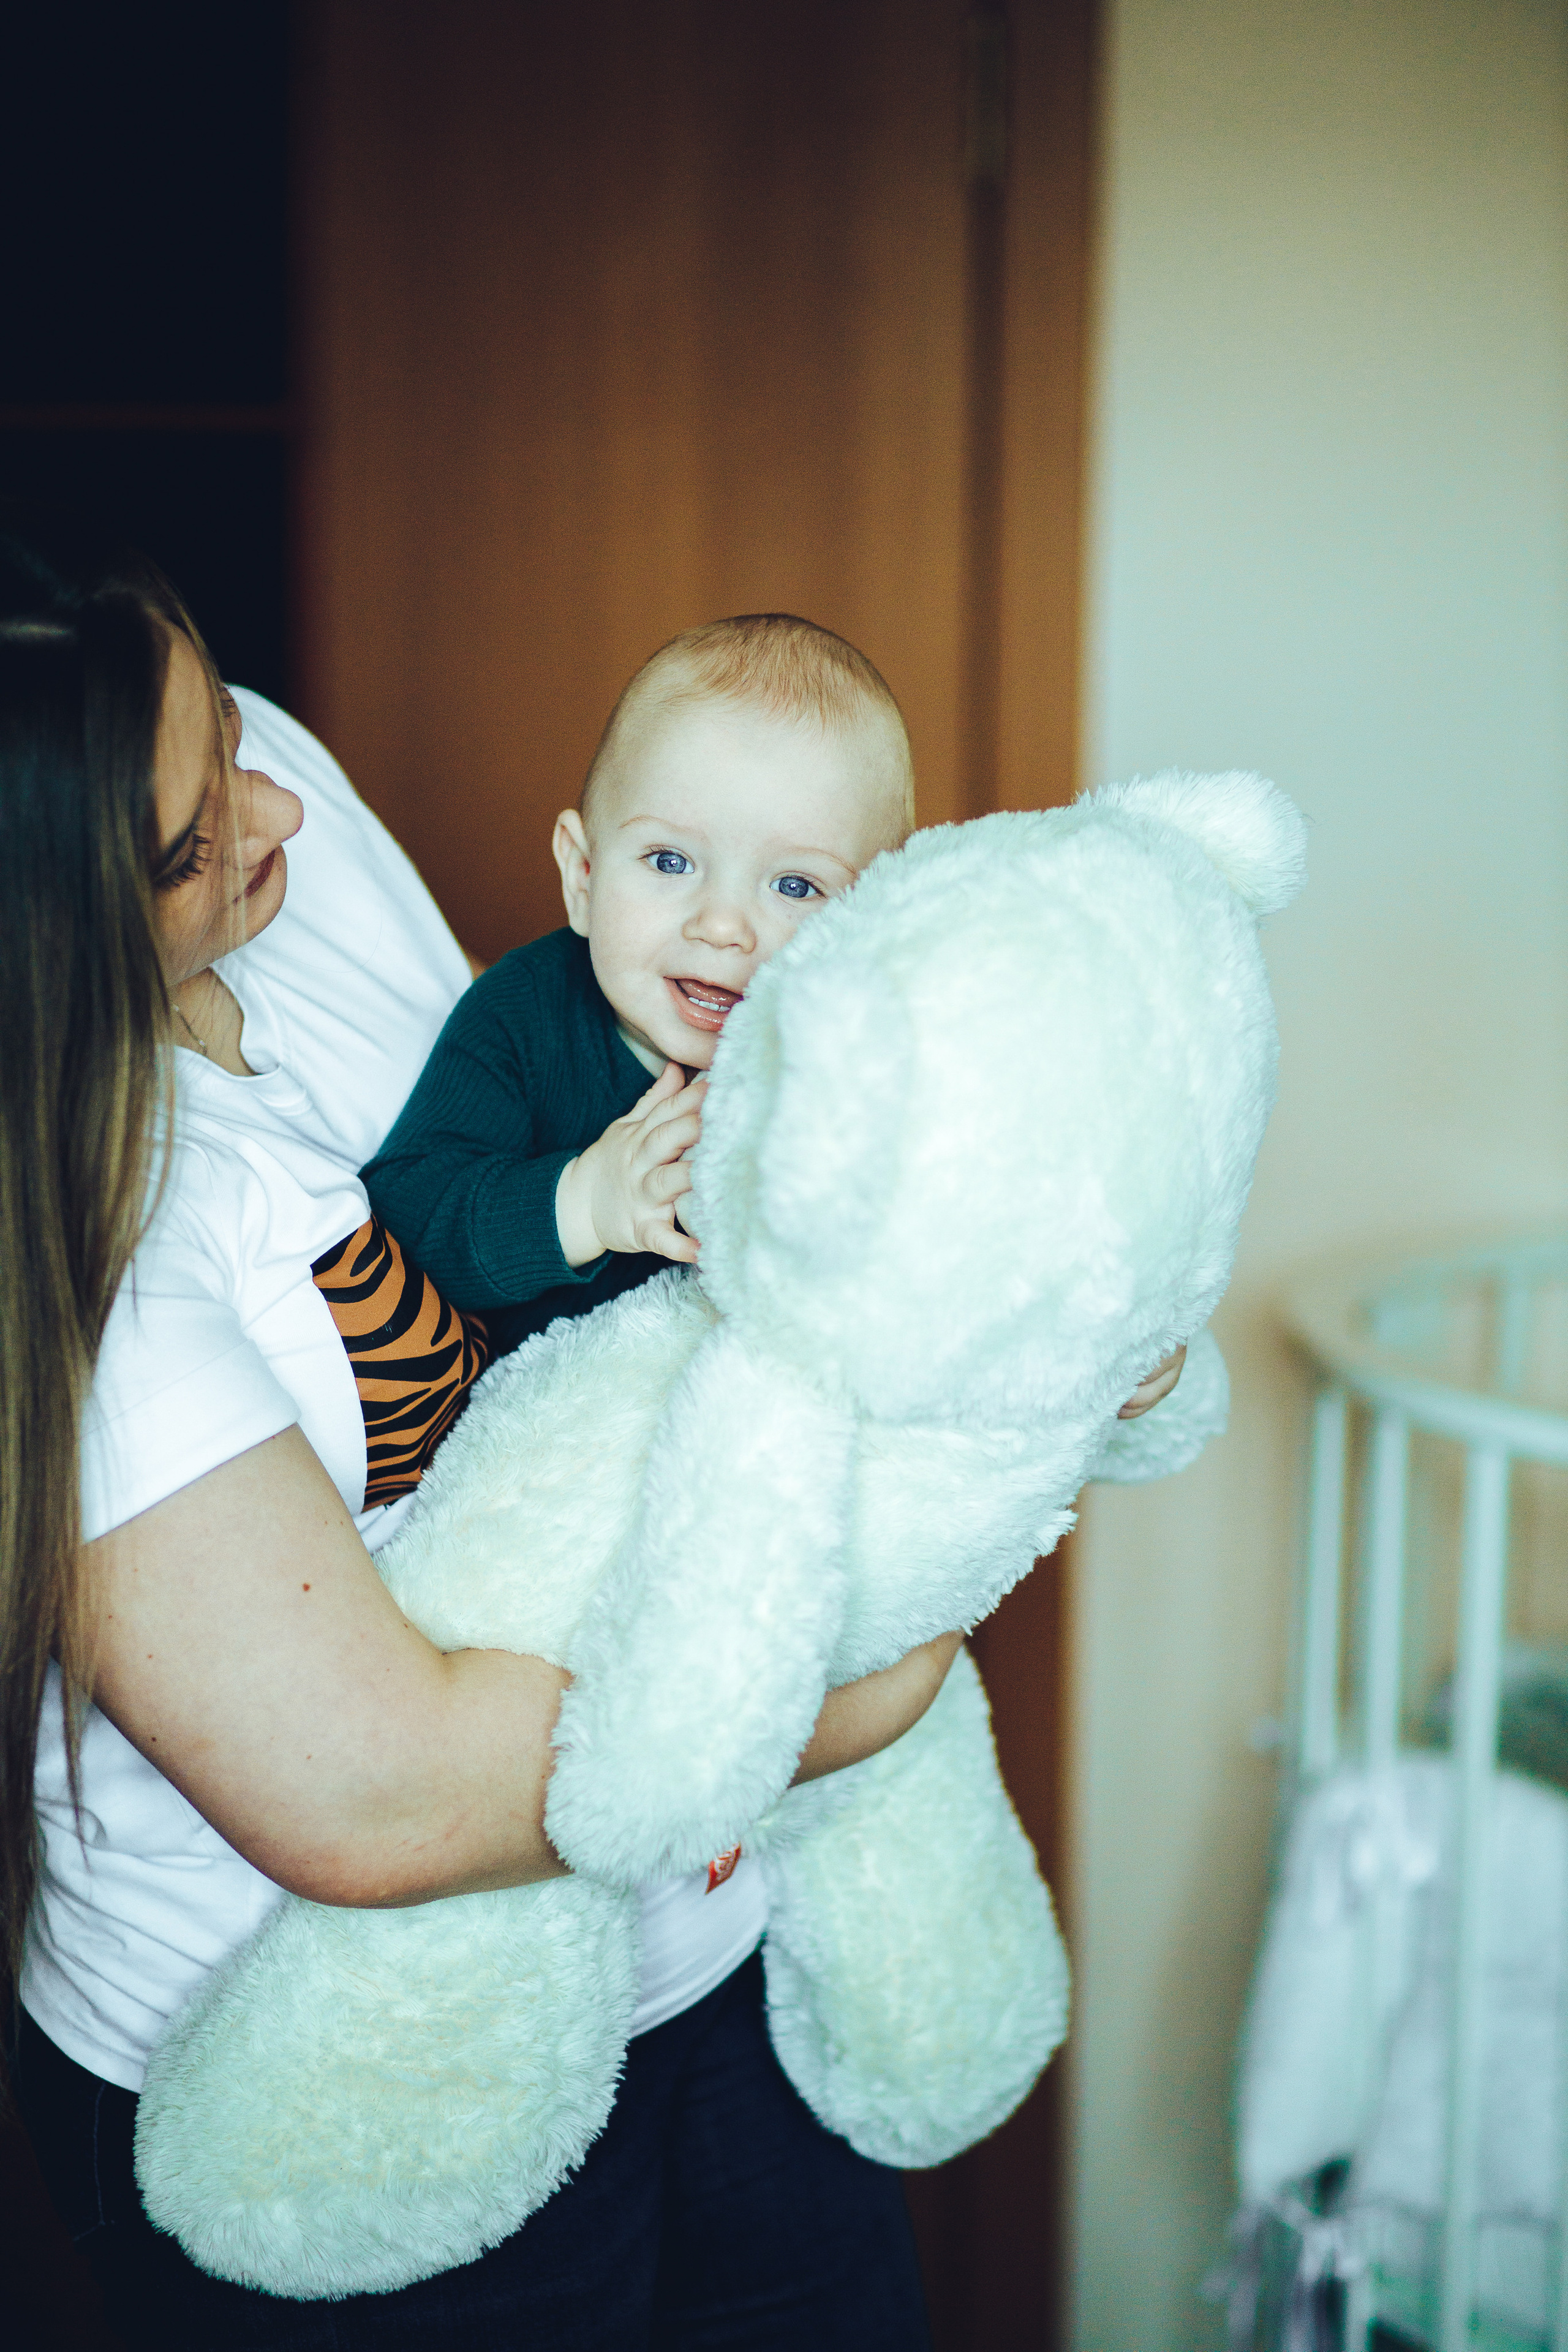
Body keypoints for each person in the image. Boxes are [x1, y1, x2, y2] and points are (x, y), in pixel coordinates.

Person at [0, 530, 961, 2350]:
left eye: (235, 727)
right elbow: (380, 1794)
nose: (281, 799)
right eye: (202, 834)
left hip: (690, 1935)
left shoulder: (274, 821)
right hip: (344, 2075)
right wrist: (884, 1669)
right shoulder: (93, 1252)